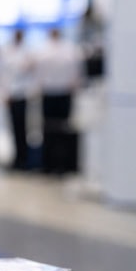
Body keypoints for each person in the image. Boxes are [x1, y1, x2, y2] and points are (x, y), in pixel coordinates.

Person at [33, 27, 84, 174]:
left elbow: (76, 73)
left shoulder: (69, 49)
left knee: (63, 129)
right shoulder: (44, 50)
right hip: (50, 93)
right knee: (49, 129)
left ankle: (62, 163)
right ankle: (50, 163)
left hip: (63, 93)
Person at [0, 29, 34, 171]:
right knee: (13, 128)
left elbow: (28, 73)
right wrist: (4, 93)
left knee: (23, 128)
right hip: (11, 96)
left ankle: (24, 158)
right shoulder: (7, 52)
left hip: (22, 95)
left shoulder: (27, 52)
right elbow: (4, 75)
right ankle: (18, 157)